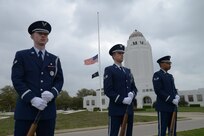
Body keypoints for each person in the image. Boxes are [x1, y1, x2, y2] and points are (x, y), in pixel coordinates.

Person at [11, 20, 64, 136]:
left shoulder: (54, 59)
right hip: (25, 111)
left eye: (46, 34)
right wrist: (32, 98)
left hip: (47, 112)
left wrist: (53, 93)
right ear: (32, 36)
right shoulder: (21, 55)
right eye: (40, 33)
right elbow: (17, 79)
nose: (43, 36)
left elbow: (59, 80)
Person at [103, 44, 138, 136]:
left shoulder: (128, 71)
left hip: (129, 109)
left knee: (128, 134)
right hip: (116, 109)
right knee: (113, 133)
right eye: (119, 53)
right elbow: (108, 90)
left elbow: (134, 88)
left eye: (123, 53)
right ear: (113, 55)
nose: (122, 55)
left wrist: (132, 95)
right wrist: (122, 99)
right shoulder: (109, 70)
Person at [152, 55, 180, 136]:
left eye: (170, 63)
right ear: (162, 64)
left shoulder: (170, 76)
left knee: (172, 130)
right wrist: (171, 99)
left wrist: (176, 95)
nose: (170, 64)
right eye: (168, 63)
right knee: (162, 130)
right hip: (163, 107)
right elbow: (158, 90)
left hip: (172, 107)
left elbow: (173, 89)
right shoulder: (157, 75)